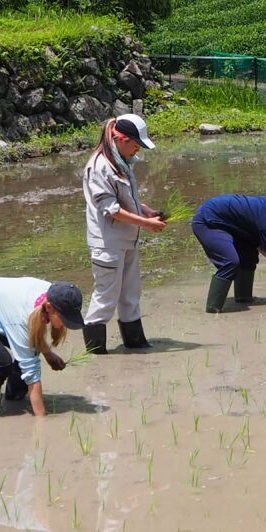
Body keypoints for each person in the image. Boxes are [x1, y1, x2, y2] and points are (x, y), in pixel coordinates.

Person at [82, 114, 166, 355]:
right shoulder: (99, 167)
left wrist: (147, 211)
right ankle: (96, 354)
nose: (137, 149)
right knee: (106, 297)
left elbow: (126, 200)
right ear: (120, 139)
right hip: (108, 244)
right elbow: (112, 210)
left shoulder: (121, 160)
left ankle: (136, 344)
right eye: (135, 144)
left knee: (130, 293)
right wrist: (146, 223)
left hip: (128, 239)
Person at [0, 278, 85, 417]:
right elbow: (31, 372)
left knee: (29, 350)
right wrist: (41, 420)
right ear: (49, 308)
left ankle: (14, 398)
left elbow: (33, 337)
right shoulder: (22, 317)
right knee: (2, 363)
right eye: (64, 319)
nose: (66, 324)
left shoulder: (55, 294)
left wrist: (48, 354)